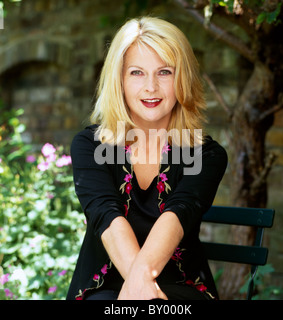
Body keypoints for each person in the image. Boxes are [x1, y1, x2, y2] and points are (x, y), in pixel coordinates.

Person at [66, 16, 227, 300]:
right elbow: (106, 216)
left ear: (183, 78)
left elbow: (179, 214)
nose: (150, 87)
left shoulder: (206, 154)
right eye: (137, 72)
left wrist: (141, 291)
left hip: (182, 289)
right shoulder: (89, 147)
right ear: (119, 80)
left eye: (164, 72)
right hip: (103, 289)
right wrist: (145, 292)